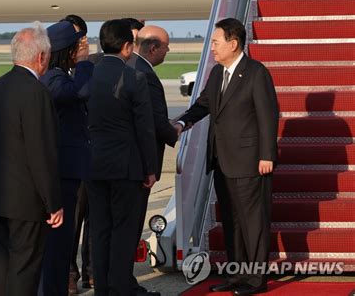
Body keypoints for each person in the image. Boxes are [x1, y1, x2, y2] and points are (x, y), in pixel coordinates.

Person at [174, 18, 278, 296]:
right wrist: (183, 123)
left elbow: (268, 116)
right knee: (231, 222)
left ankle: (256, 280)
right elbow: (203, 104)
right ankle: (236, 276)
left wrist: (267, 155)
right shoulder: (217, 73)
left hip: (250, 161)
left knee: (252, 223)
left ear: (233, 43)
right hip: (221, 160)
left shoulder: (256, 73)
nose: (212, 48)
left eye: (216, 42)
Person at [0, 23, 63, 296]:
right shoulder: (37, 93)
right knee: (24, 272)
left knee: (1, 270)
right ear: (41, 56)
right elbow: (42, 152)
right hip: (27, 201)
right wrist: (53, 202)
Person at [87, 19, 158, 296]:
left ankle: (102, 287)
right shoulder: (134, 78)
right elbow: (145, 127)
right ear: (127, 47)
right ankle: (120, 287)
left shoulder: (87, 76)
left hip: (94, 163)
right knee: (124, 230)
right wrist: (150, 168)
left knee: (100, 229)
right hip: (126, 165)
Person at [38, 20, 93, 296]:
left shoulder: (57, 75)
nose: (82, 51)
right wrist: (84, 63)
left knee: (61, 242)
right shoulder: (54, 78)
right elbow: (81, 92)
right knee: (57, 243)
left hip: (67, 171)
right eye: (78, 47)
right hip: (61, 172)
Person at [127, 25, 178, 296]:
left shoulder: (130, 66)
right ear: (153, 48)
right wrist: (176, 130)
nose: (168, 52)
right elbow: (155, 123)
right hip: (139, 166)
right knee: (130, 224)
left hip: (125, 163)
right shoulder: (144, 74)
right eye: (166, 47)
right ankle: (125, 283)